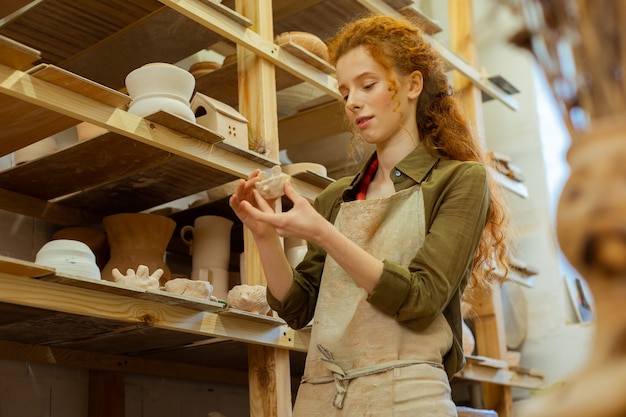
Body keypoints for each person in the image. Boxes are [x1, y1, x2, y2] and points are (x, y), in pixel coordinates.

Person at [229, 14, 511, 417]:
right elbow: (297, 308)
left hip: (409, 396)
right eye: (344, 92)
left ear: (413, 85)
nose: (352, 102)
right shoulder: (335, 197)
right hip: (322, 396)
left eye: (367, 85)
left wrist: (326, 235)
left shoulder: (459, 180)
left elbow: (420, 299)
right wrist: (264, 236)